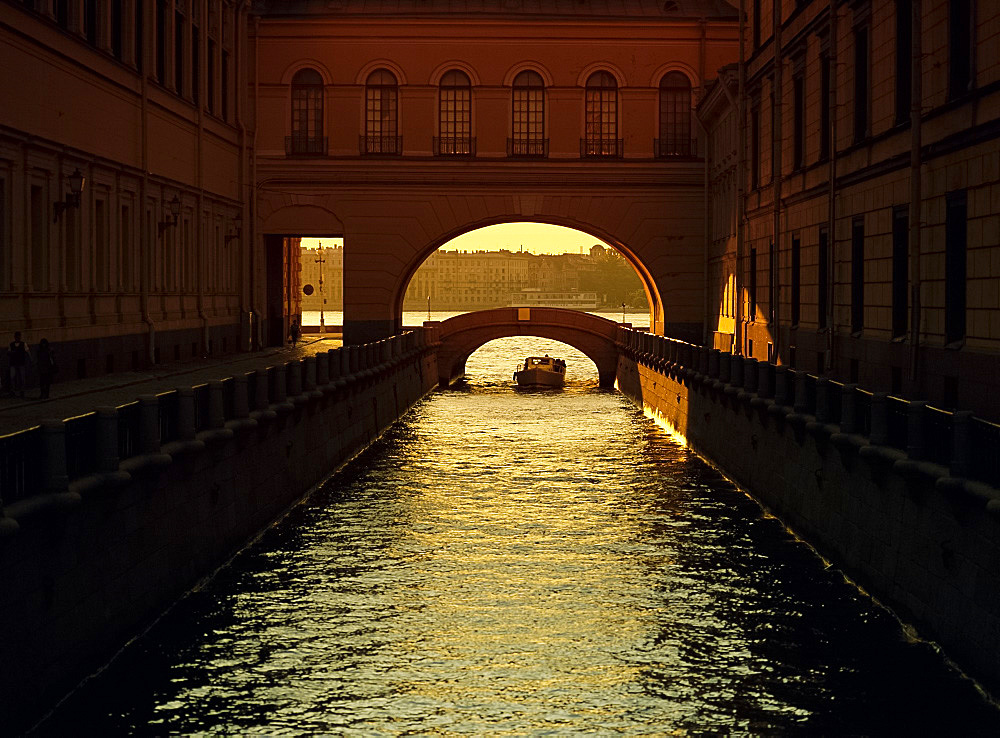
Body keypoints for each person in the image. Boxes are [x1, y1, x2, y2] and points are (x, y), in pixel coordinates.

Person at [8, 331, 28, 398]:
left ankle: (22, 391)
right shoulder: (11, 344)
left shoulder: (23, 344)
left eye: (18, 336)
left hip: (21, 363)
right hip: (13, 363)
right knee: (12, 377)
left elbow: (27, 352)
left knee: (22, 378)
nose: (18, 338)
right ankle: (13, 390)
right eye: (16, 336)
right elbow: (8, 352)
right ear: (15, 337)